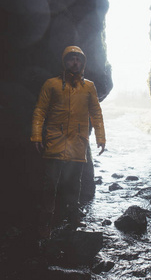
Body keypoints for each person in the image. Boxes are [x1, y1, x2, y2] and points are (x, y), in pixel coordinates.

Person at [31, 46, 106, 239]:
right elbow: (40, 110)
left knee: (75, 184)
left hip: (77, 143)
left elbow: (96, 113)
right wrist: (36, 136)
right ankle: (45, 223)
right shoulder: (51, 84)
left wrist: (100, 137)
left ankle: (73, 218)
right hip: (55, 141)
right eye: (71, 59)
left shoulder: (89, 86)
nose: (75, 62)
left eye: (78, 59)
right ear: (65, 62)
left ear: (83, 63)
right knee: (50, 185)